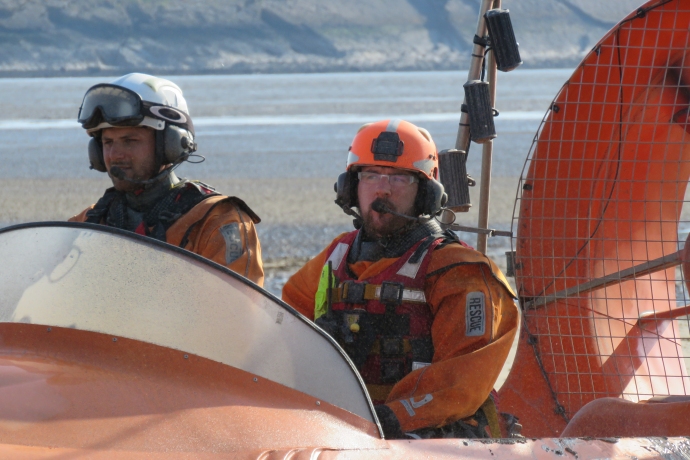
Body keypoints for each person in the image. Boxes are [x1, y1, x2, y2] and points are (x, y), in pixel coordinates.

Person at [282, 119, 518, 438]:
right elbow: (278, 338)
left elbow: (461, 383)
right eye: (371, 175)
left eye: (399, 178)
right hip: (345, 431)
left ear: (425, 194)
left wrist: (387, 421)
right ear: (350, 187)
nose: (383, 188)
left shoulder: (459, 271)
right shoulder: (335, 258)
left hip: (435, 439)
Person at [69, 73, 263, 286]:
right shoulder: (87, 222)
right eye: (107, 142)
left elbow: (235, 310)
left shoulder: (219, 223)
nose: (115, 155)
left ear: (170, 145)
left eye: (130, 141)